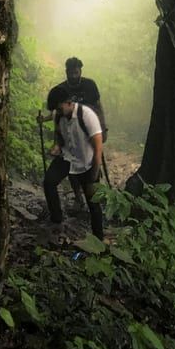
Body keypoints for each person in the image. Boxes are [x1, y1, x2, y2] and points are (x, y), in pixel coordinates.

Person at [41, 56, 106, 207]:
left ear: (80, 71)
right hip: (72, 131)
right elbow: (58, 111)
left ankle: (94, 194)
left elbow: (98, 106)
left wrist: (103, 127)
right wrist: (44, 119)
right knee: (71, 164)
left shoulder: (90, 85)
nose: (73, 76)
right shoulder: (63, 89)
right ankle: (78, 197)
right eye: (71, 72)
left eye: (76, 72)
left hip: (89, 128)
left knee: (92, 159)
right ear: (66, 72)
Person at [42, 83, 105, 239]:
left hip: (87, 163)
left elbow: (98, 149)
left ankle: (99, 239)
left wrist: (94, 175)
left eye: (59, 108)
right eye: (55, 110)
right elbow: (60, 140)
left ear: (69, 102)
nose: (58, 112)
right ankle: (56, 219)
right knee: (49, 182)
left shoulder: (87, 116)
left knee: (93, 203)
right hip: (67, 158)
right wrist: (56, 148)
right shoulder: (58, 115)